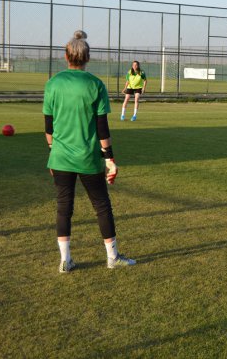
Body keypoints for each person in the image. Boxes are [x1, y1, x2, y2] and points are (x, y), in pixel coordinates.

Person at [43, 30, 136, 273]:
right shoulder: (95, 85)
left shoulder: (53, 83)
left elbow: (48, 127)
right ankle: (112, 257)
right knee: (102, 206)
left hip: (60, 157)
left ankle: (65, 260)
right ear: (88, 58)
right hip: (88, 157)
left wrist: (53, 152)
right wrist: (110, 158)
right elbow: (102, 128)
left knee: (64, 208)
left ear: (66, 56)